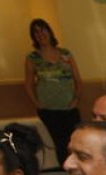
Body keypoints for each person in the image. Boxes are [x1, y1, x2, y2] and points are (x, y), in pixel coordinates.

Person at [23, 18, 82, 165]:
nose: (40, 34)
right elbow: (28, 84)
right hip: (48, 110)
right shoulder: (32, 58)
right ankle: (65, 172)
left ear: (49, 32)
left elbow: (78, 80)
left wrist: (76, 100)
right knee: (60, 143)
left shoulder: (65, 54)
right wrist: (37, 103)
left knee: (76, 141)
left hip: (69, 107)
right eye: (36, 32)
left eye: (42, 30)